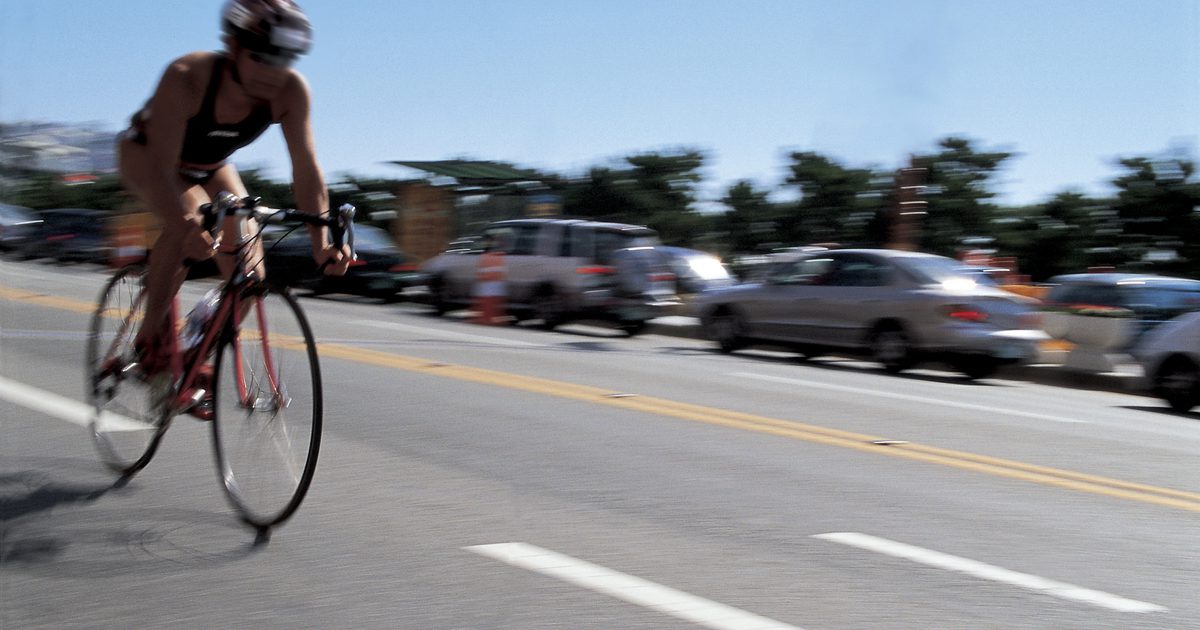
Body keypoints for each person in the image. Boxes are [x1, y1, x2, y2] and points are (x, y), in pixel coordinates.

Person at [118, 0, 350, 373]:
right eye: (261, 56)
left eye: (284, 58)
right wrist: (184, 226)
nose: (272, 72)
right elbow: (163, 170)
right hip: (148, 157)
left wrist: (322, 241)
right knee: (189, 223)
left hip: (212, 167)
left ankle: (194, 354)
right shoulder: (187, 77)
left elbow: (306, 168)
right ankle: (149, 339)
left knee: (250, 277)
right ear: (233, 46)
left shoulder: (291, 92)